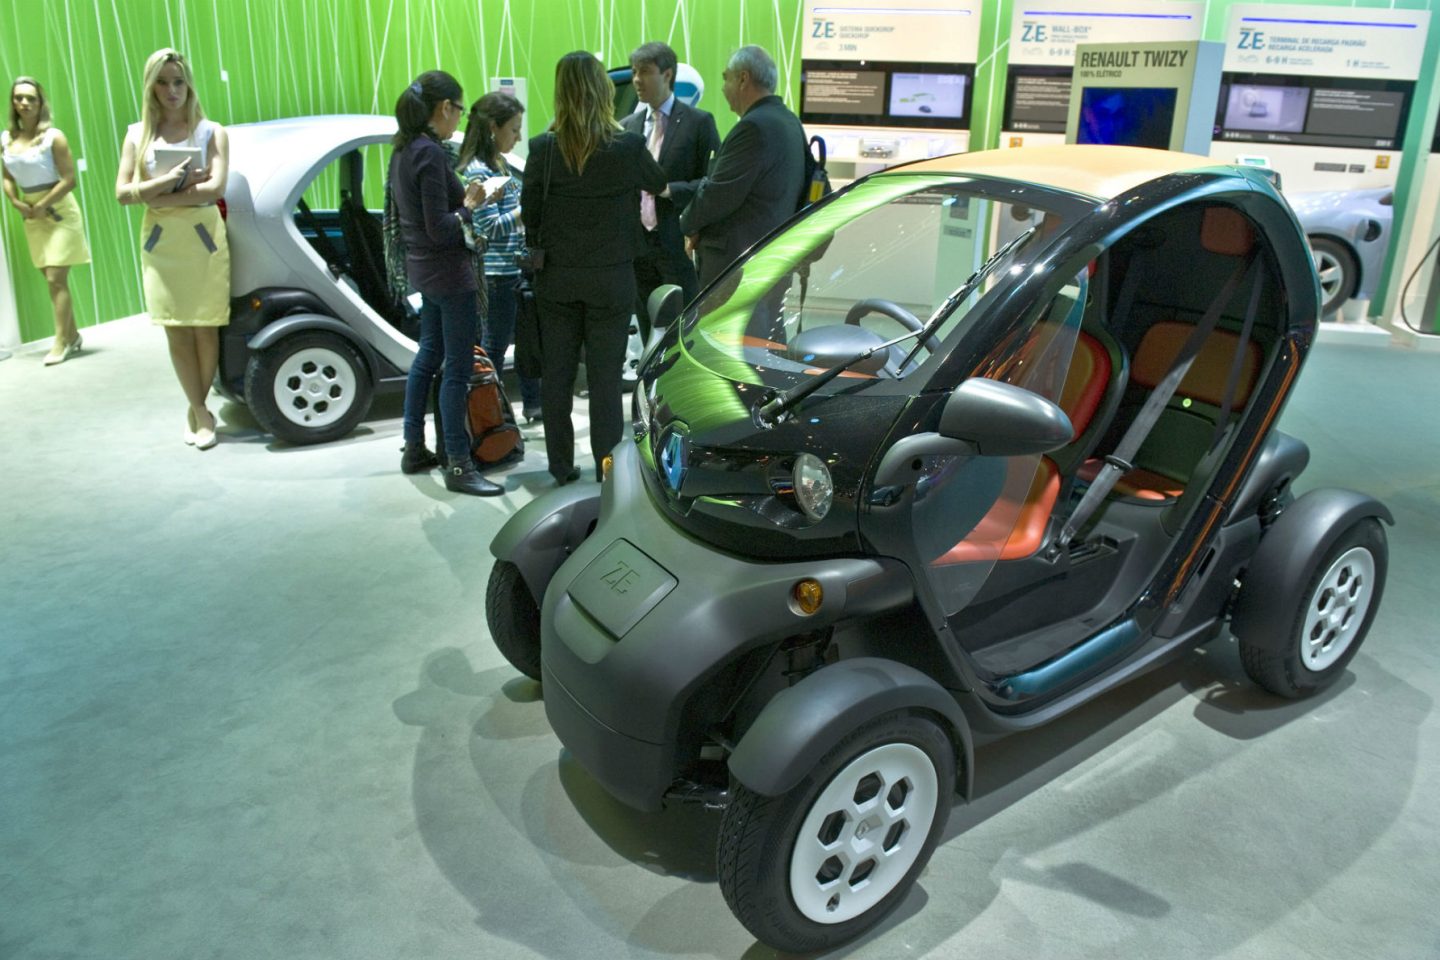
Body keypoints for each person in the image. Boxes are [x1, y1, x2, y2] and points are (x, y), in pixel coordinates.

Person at [522, 52, 667, 484]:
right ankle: (606, 470)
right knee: (606, 382)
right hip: (612, 279)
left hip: (558, 281)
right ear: (604, 90)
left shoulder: (543, 149)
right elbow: (658, 182)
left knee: (558, 379)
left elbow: (530, 213)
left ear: (561, 93)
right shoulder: (626, 146)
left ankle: (561, 468)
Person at [389, 70, 503, 496]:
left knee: (428, 357)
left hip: (425, 272)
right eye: (458, 109)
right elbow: (441, 227)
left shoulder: (404, 150)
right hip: (450, 275)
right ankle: (458, 462)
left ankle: (414, 446)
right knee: (456, 370)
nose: (459, 118)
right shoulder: (432, 154)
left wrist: (465, 200)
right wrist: (471, 204)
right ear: (444, 108)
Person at [115, 49, 231, 449]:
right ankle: (200, 410)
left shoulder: (212, 131)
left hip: (203, 237)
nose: (171, 90)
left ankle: (198, 410)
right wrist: (171, 185)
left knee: (205, 326)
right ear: (151, 87)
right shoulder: (136, 134)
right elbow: (122, 193)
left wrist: (159, 195)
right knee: (176, 329)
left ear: (189, 84)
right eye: (162, 82)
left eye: (178, 81)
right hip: (162, 243)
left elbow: (215, 188)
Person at [679, 45, 807, 287]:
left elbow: (719, 195)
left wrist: (687, 223)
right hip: (769, 258)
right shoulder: (788, 121)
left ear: (743, 79)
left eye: (726, 77)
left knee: (725, 326)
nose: (722, 87)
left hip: (736, 265)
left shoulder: (753, 128)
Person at [620, 42, 720, 335]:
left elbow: (710, 182)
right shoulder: (629, 126)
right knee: (646, 322)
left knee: (683, 327)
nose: (637, 79)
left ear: (667, 75)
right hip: (637, 246)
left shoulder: (698, 123)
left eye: (645, 72)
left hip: (677, 242)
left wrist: (669, 190)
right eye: (635, 72)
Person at [458, 92, 542, 422]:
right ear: (494, 128)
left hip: (514, 270)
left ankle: (530, 405)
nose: (519, 137)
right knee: (493, 347)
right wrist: (526, 211)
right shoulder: (478, 171)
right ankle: (489, 414)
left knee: (525, 342)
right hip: (496, 274)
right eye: (514, 129)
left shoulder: (498, 164)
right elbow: (488, 228)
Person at [2, 77, 90, 365]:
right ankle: (73, 335)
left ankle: (59, 342)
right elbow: (7, 176)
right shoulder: (6, 139)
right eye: (19, 98)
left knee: (56, 278)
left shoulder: (54, 137)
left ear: (41, 102)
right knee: (51, 281)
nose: (24, 103)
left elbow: (69, 179)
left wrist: (42, 204)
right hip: (30, 213)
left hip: (58, 211)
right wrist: (16, 202)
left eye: (31, 98)